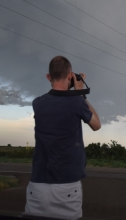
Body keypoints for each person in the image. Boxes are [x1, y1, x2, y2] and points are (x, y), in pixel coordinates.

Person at [24, 56, 101, 219]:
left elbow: (56, 104)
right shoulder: (77, 102)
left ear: (48, 77)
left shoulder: (37, 103)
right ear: (70, 76)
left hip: (37, 184)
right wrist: (80, 93)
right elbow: (96, 125)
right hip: (66, 186)